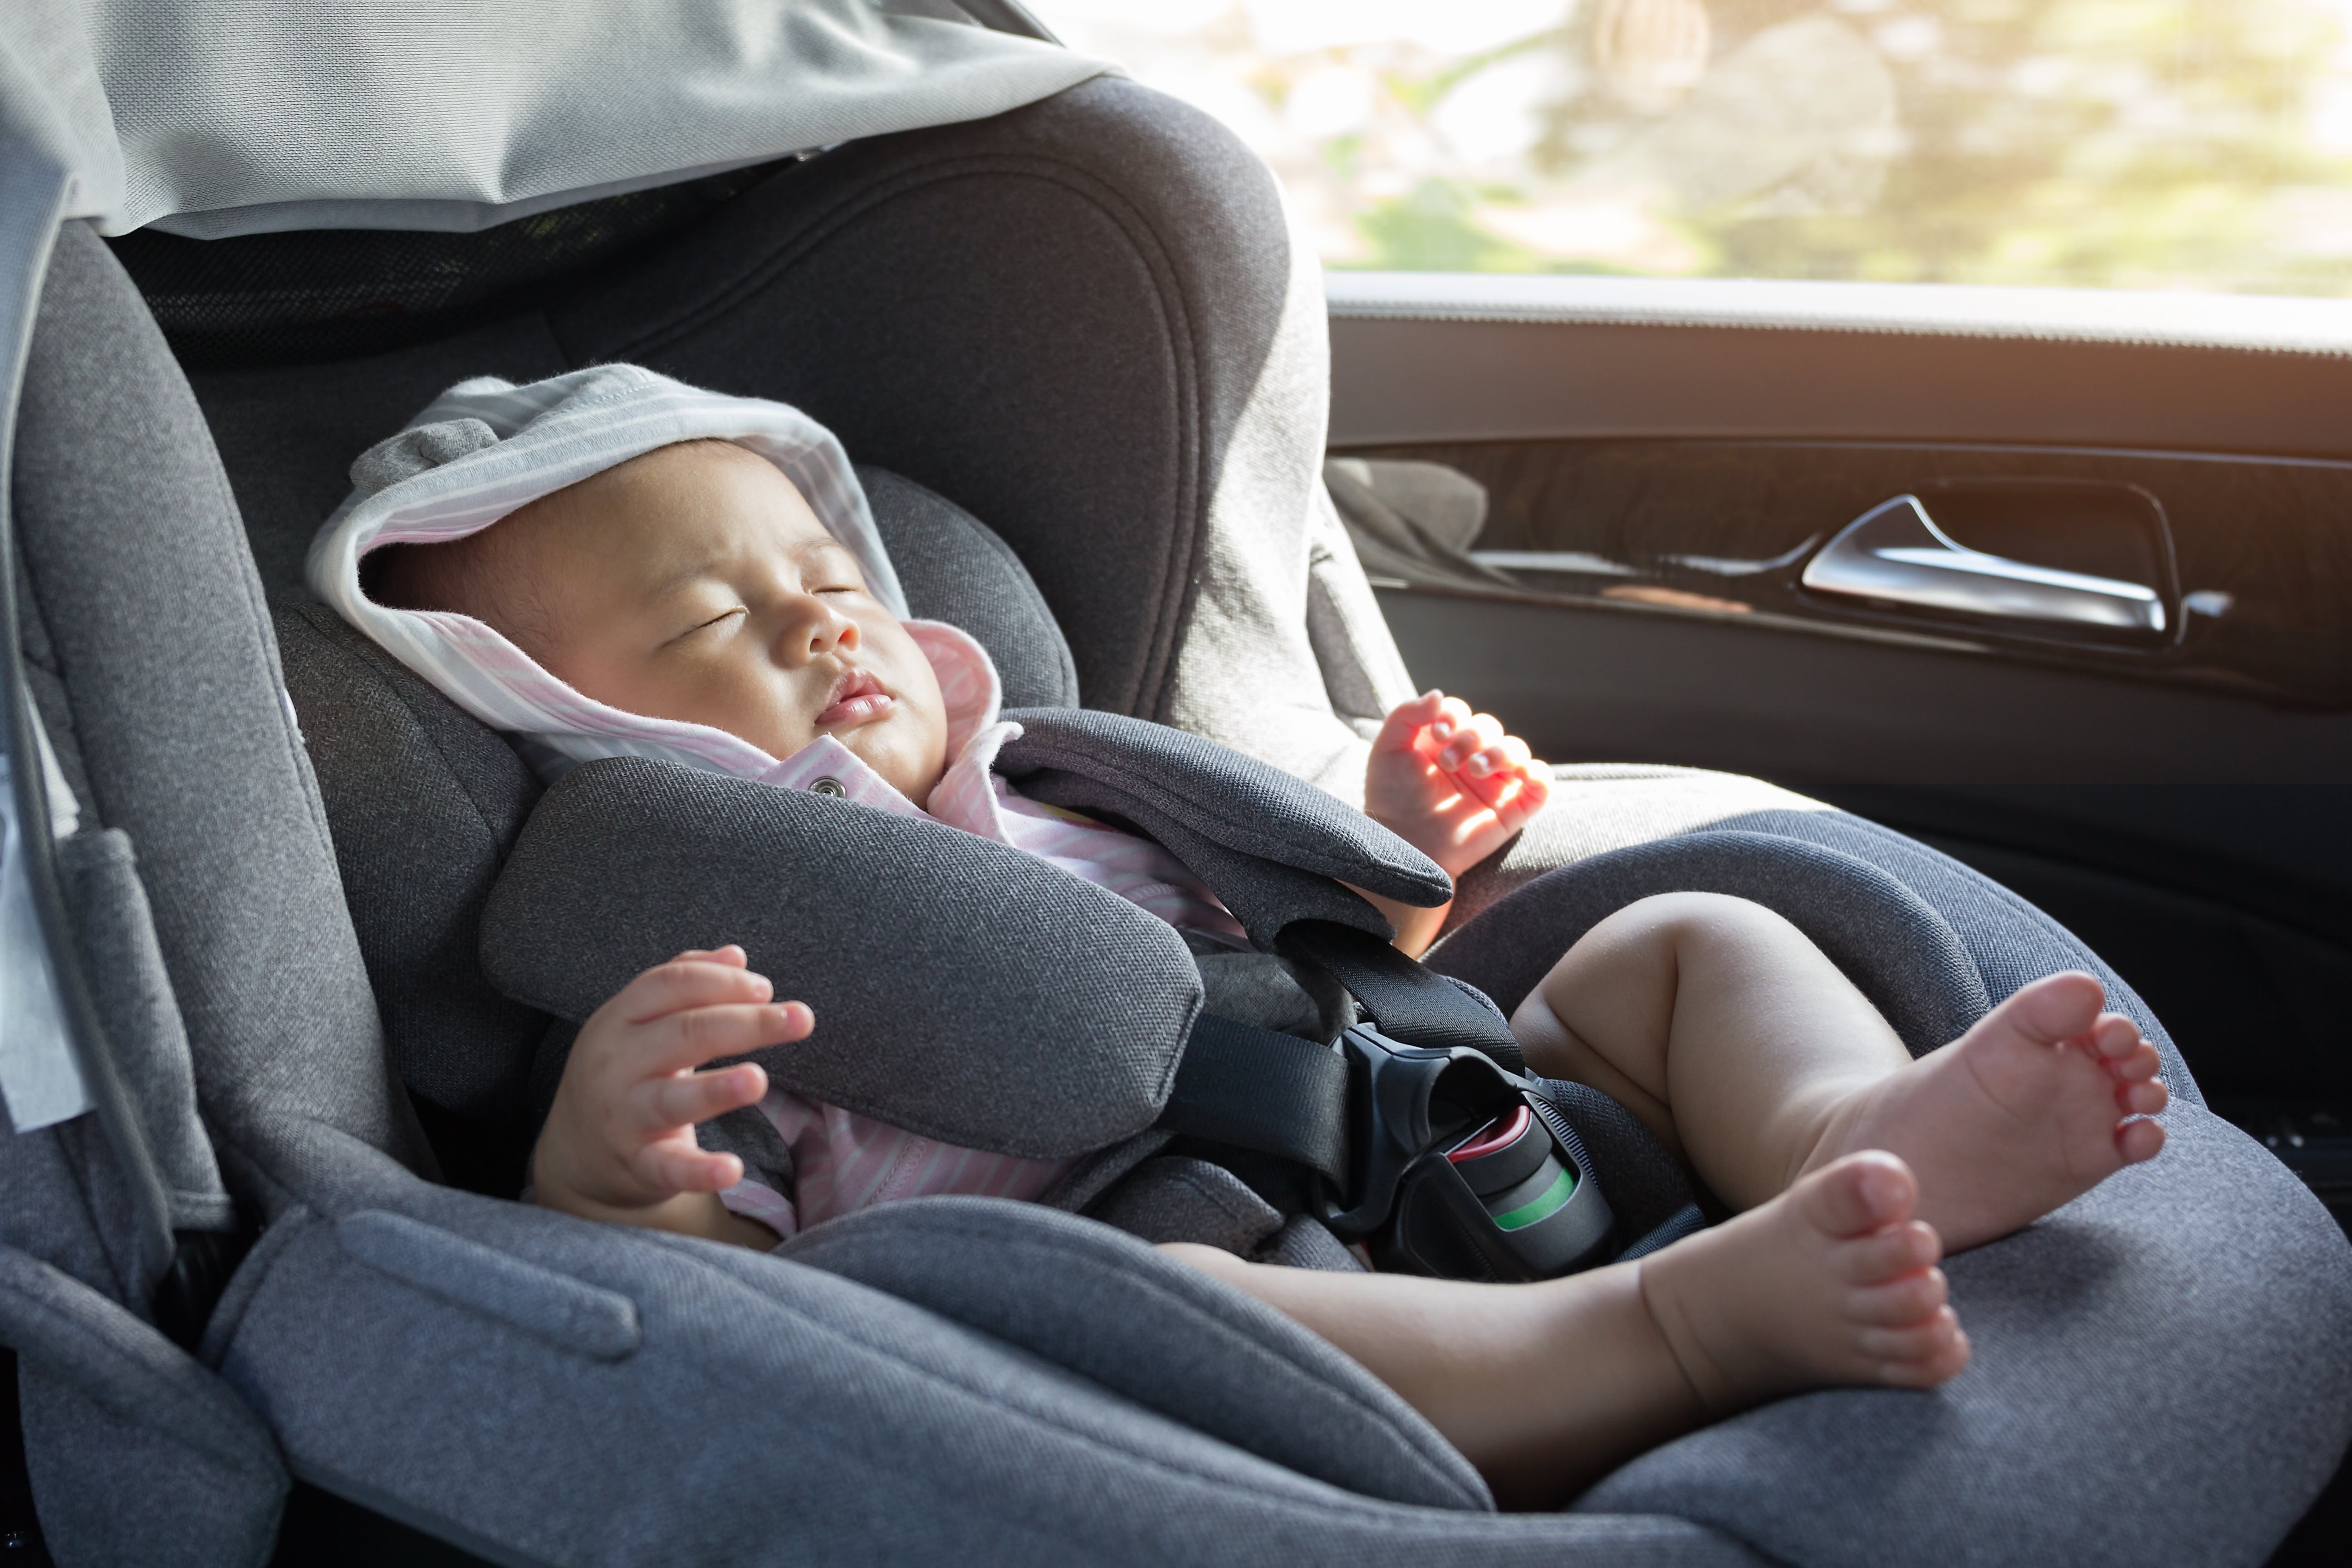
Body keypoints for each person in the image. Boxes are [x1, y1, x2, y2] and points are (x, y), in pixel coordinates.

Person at [338, 384, 2167, 1505]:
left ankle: (1853, 1136)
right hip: (1198, 1282)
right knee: (1150, 1315)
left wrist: (1409, 866)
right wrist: (612, 1171)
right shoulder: (703, 963)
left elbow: (1310, 970)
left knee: (1688, 936)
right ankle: (1686, 1330)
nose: (820, 626)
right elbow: (704, 1306)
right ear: (579, 726)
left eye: (824, 574)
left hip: (1439, 1116)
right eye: (712, 621)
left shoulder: (1066, 779)